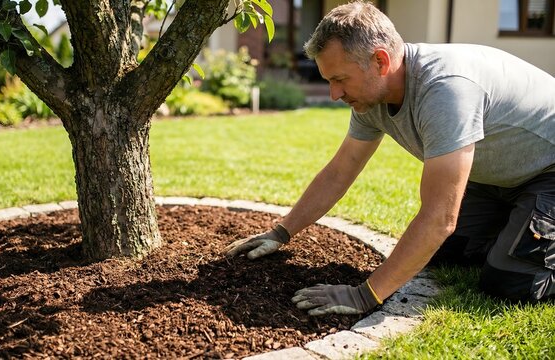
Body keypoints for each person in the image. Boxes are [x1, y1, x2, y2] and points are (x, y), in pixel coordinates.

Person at [224, 0, 555, 316]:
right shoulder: (372, 98)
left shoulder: (444, 91)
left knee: (510, 281)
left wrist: (365, 295)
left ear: (380, 62)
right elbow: (341, 170)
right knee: (441, 254)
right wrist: (280, 233)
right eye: (329, 81)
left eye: (339, 80)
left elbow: (440, 217)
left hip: (547, 171)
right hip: (497, 180)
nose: (334, 94)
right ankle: (519, 227)